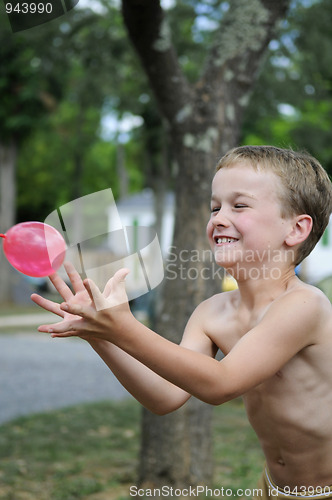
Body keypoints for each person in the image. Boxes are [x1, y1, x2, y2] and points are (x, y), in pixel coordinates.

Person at [32, 146, 332, 498]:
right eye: (214, 206)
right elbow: (165, 396)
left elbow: (222, 384)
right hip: (273, 489)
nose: (219, 217)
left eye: (239, 205)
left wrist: (124, 327)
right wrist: (100, 334)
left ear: (296, 229)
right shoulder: (212, 312)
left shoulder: (304, 305)